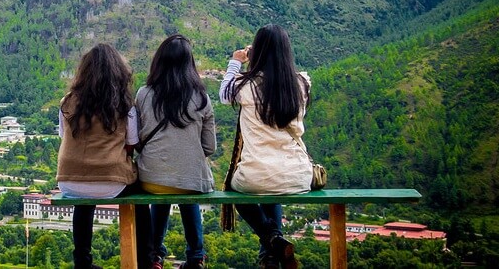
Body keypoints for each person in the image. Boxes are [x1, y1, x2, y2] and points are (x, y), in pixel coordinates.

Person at [219, 24, 311, 269]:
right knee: (273, 185)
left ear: (257, 51)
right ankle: (271, 255)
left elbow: (224, 94)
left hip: (257, 175)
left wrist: (236, 62)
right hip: (298, 175)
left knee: (236, 191)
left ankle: (272, 240)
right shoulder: (301, 84)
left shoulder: (246, 86)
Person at [57, 43, 150, 269]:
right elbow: (132, 144)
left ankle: (82, 261)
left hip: (69, 181)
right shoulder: (124, 104)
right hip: (112, 182)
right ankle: (146, 260)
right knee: (141, 200)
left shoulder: (67, 101)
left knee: (83, 200)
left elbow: (64, 137)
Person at [135, 34, 215, 269]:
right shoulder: (202, 98)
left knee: (164, 186)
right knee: (185, 185)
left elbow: (137, 140)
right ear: (189, 64)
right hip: (191, 181)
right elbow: (210, 147)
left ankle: (154, 256)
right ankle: (196, 256)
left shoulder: (144, 94)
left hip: (151, 178)